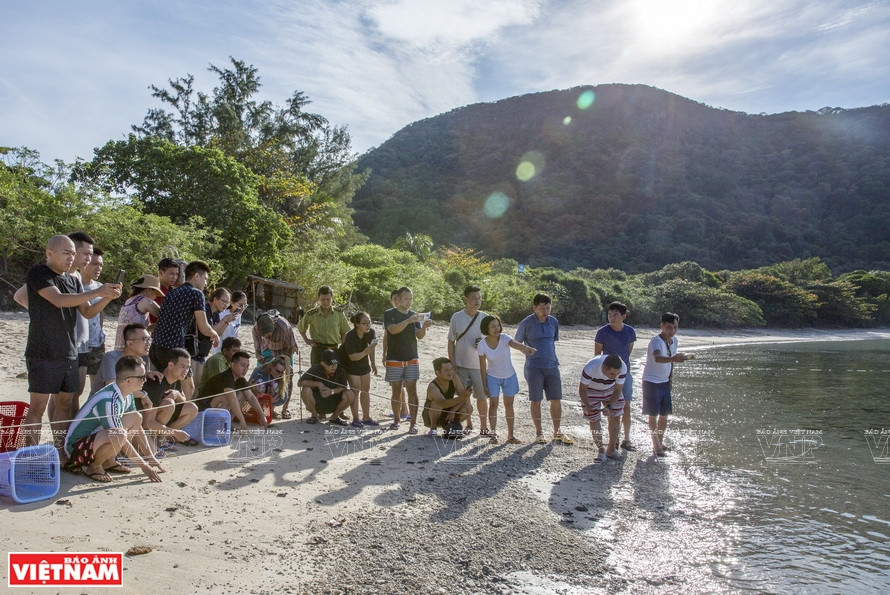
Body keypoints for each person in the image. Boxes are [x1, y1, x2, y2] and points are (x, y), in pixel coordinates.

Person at [19, 235, 122, 447]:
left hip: (69, 351)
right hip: (43, 351)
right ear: (49, 253)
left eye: (73, 253)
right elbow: (58, 300)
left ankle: (61, 450)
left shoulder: (73, 279)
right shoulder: (39, 273)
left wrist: (106, 297)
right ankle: (31, 454)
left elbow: (87, 312)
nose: (71, 258)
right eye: (67, 253)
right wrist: (97, 291)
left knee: (65, 404)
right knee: (38, 407)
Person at [64, 355, 164, 483]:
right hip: (76, 449)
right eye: (142, 377)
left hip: (96, 440)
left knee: (136, 417)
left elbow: (137, 427)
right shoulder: (109, 399)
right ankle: (94, 467)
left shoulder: (127, 393)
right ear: (128, 381)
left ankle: (109, 461)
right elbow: (120, 437)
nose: (145, 380)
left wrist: (150, 458)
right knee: (119, 434)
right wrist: (144, 466)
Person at [150, 261, 219, 398]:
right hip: (174, 348)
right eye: (205, 279)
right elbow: (203, 326)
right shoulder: (196, 294)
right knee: (188, 386)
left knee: (161, 385)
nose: (206, 283)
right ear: (196, 276)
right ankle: (186, 410)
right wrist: (215, 334)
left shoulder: (172, 292)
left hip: (156, 346)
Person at [515, 293, 572, 445]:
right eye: (542, 308)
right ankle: (539, 432)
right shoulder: (526, 323)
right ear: (534, 307)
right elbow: (516, 343)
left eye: (548, 308)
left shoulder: (553, 322)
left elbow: (553, 341)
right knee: (536, 400)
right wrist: (526, 349)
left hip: (552, 366)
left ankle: (557, 431)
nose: (545, 311)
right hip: (533, 367)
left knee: (556, 399)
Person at [641, 312, 694, 456]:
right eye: (669, 327)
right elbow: (658, 358)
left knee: (664, 414)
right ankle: (655, 445)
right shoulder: (656, 341)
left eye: (675, 327)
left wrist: (670, 379)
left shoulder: (674, 341)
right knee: (653, 415)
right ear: (662, 326)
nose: (672, 330)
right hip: (651, 381)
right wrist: (673, 359)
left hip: (664, 381)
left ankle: (659, 441)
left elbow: (671, 363)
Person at [477, 314, 535, 444]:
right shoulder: (482, 345)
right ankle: (493, 434)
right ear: (486, 329)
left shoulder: (504, 338)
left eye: (498, 325)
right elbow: (482, 367)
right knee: (493, 405)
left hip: (509, 376)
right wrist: (484, 385)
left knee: (509, 405)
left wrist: (526, 348)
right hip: (492, 377)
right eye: (493, 326)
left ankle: (511, 435)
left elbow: (515, 344)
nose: (496, 329)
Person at [383, 286, 431, 434]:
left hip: (411, 357)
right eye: (406, 299)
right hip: (394, 357)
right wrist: (408, 320)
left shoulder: (414, 315)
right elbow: (392, 330)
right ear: (398, 299)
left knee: (412, 390)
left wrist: (424, 327)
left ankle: (413, 423)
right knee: (396, 390)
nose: (409, 302)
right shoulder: (390, 313)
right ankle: (396, 420)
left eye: (411, 299)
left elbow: (419, 336)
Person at [594, 301, 637, 451]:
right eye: (610, 315)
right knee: (610, 405)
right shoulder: (602, 332)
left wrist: (622, 369)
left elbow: (628, 352)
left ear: (623, 316)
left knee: (626, 405)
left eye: (615, 315)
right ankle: (614, 439)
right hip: (607, 375)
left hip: (625, 373)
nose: (611, 318)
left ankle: (627, 439)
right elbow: (597, 356)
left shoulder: (630, 332)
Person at [138, 347, 200, 452]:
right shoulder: (156, 382)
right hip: (142, 425)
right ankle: (154, 441)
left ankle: (163, 439)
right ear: (171, 365)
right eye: (183, 367)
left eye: (188, 368)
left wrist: (177, 394)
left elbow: (183, 401)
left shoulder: (176, 379)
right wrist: (175, 433)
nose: (186, 371)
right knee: (169, 404)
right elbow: (147, 423)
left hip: (158, 421)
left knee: (192, 408)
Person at [197, 350, 269, 432]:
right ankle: (217, 426)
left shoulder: (240, 379)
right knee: (227, 397)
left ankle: (227, 422)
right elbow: (232, 398)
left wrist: (262, 414)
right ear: (233, 365)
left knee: (243, 394)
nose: (245, 369)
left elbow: (251, 397)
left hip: (214, 408)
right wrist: (242, 420)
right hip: (202, 409)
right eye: (242, 365)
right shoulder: (227, 376)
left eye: (247, 366)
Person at [447, 285, 486, 433]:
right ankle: (469, 424)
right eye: (474, 298)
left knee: (481, 397)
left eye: (479, 298)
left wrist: (482, 343)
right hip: (460, 364)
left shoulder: (485, 317)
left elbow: (492, 340)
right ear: (466, 299)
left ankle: (484, 426)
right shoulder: (456, 317)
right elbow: (451, 340)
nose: (477, 301)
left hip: (479, 365)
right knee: (464, 396)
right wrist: (452, 361)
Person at [73, 249, 108, 405]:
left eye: (100, 265)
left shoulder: (100, 287)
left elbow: (100, 314)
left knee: (98, 388)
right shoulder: (74, 284)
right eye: (94, 264)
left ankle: (90, 416)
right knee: (75, 391)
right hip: (78, 344)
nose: (98, 268)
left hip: (97, 342)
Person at [579, 354, 628, 463]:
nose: (615, 376)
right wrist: (587, 406)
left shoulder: (622, 367)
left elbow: (618, 389)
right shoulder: (591, 367)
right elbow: (582, 389)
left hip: (611, 389)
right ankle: (601, 450)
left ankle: (611, 449)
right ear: (604, 368)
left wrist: (609, 406)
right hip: (591, 389)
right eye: (612, 374)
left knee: (616, 415)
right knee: (593, 419)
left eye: (617, 374)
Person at [252, 310, 299, 418]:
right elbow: (257, 350)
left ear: (274, 325)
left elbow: (291, 347)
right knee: (262, 376)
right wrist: (259, 357)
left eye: (270, 333)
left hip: (284, 348)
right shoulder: (255, 329)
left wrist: (285, 364)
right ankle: (267, 409)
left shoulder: (284, 326)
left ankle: (285, 409)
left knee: (288, 377)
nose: (268, 336)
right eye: (265, 335)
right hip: (267, 349)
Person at [341, 311, 379, 427]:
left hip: (364, 363)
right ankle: (356, 419)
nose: (368, 325)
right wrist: (364, 352)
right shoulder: (350, 336)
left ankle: (366, 417)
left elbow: (372, 348)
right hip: (351, 364)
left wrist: (373, 363)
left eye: (369, 322)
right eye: (364, 323)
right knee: (355, 390)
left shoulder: (371, 332)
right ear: (357, 324)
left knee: (366, 389)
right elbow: (352, 357)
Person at [97, 323, 162, 390]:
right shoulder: (112, 357)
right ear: (130, 343)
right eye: (145, 339)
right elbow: (112, 387)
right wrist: (142, 394)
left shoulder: (141, 361)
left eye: (149, 339)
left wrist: (147, 374)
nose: (149, 343)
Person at [298, 349, 355, 425]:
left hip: (334, 401)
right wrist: (318, 384)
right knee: (305, 390)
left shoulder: (340, 369)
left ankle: (334, 417)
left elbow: (343, 386)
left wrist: (331, 391)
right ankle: (314, 416)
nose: (333, 366)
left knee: (349, 393)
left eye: (335, 363)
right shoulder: (316, 368)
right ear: (323, 363)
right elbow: (300, 383)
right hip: (317, 401)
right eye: (330, 364)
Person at [297, 285, 351, 365]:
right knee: (316, 372)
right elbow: (301, 328)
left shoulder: (339, 313)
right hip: (318, 350)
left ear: (332, 298)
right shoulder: (312, 314)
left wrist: (344, 348)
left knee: (334, 372)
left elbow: (344, 333)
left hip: (334, 350)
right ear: (319, 298)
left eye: (328, 299)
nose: (325, 302)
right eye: (323, 299)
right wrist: (307, 340)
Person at [422, 357, 472, 437]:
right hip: (432, 416)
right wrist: (463, 396)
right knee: (436, 403)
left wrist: (453, 411)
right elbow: (443, 403)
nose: (450, 373)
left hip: (449, 412)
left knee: (468, 407)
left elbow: (464, 397)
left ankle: (454, 425)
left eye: (451, 369)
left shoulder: (454, 378)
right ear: (437, 372)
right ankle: (433, 428)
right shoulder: (433, 386)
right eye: (446, 370)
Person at [381, 289, 410, 420]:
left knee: (401, 385)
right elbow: (386, 335)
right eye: (394, 299)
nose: (397, 301)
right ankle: (402, 409)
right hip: (393, 354)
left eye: (398, 299)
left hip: (405, 355)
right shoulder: (389, 315)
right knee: (396, 385)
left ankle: (404, 410)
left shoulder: (407, 314)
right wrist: (384, 353)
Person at [114, 274, 163, 349]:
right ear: (149, 290)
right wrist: (150, 328)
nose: (155, 297)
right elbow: (166, 317)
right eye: (155, 293)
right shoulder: (145, 301)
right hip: (137, 345)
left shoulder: (129, 301)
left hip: (121, 343)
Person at [209, 290, 246, 356]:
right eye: (240, 305)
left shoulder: (238, 314)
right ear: (232, 303)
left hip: (231, 348)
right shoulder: (223, 314)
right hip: (219, 349)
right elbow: (217, 333)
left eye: (245, 305)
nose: (242, 308)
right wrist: (226, 321)